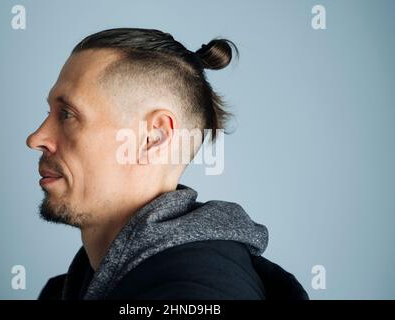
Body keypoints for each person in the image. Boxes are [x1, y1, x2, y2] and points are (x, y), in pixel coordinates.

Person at [26, 28, 308, 300]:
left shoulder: (198, 293)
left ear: (153, 137)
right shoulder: (65, 289)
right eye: (48, 112)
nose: (36, 138)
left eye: (66, 114)